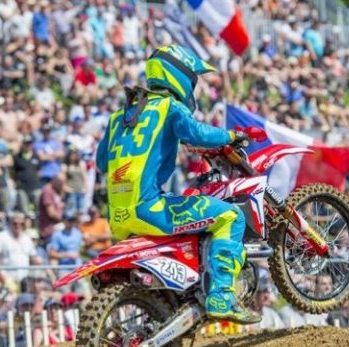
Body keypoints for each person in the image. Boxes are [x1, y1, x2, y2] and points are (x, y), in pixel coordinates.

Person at [95, 45, 258, 323]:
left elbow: (102, 162)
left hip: (118, 217)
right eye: (193, 80)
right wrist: (232, 135)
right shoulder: (169, 106)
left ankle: (181, 295)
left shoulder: (119, 117)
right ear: (178, 76)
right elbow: (197, 133)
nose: (193, 87)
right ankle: (221, 297)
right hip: (150, 209)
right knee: (230, 217)